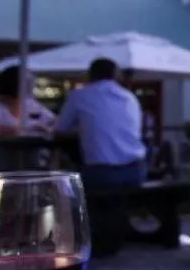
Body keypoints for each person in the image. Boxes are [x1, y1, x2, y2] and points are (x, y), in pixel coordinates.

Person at [54, 58, 147, 191]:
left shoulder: (80, 96)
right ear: (116, 75)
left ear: (90, 74)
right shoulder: (129, 97)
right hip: (136, 171)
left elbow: (60, 130)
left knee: (67, 187)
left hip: (101, 173)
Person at [0, 66, 56, 175]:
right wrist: (28, 128)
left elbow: (53, 123)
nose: (31, 86)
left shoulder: (31, 105)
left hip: (26, 167)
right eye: (27, 82)